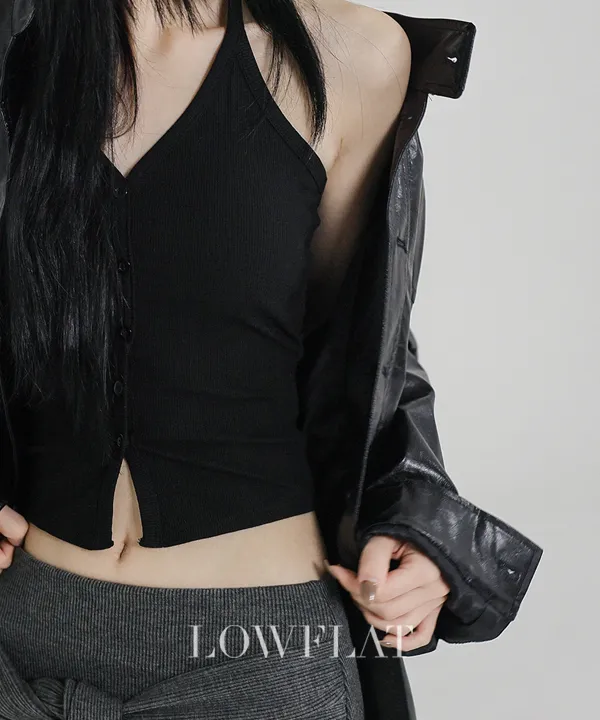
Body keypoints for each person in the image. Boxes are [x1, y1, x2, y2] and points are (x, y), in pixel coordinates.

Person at [0, 1, 544, 718]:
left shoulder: (351, 56)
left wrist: (420, 520)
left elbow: (354, 343)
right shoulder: (17, 49)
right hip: (23, 641)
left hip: (259, 658)